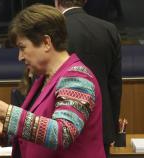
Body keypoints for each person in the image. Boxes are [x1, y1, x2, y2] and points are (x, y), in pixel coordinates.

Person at [0, 4, 105, 158]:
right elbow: (39, 129)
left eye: (22, 47)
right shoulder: (44, 79)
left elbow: (63, 134)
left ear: (46, 42)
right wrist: (6, 129)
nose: (20, 57)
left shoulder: (77, 78)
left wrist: (6, 113)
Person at [54, 0, 122, 156]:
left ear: (57, 2)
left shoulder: (55, 31)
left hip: (62, 128)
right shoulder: (109, 30)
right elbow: (114, 86)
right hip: (101, 128)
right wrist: (111, 129)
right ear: (84, 1)